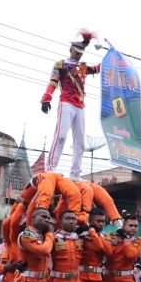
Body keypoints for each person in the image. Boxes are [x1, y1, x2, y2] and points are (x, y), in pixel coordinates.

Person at [41, 29, 100, 179]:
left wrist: (111, 57)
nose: (79, 54)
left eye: (81, 51)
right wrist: (47, 97)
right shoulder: (60, 65)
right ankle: (50, 168)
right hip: (66, 103)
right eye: (77, 50)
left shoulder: (84, 67)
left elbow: (99, 68)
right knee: (60, 136)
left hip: (80, 106)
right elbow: (53, 81)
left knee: (79, 142)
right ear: (71, 49)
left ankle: (75, 173)